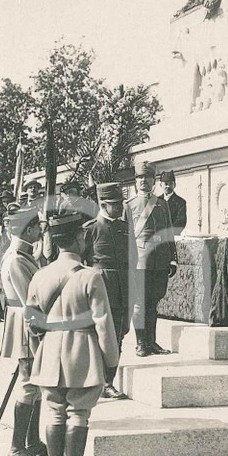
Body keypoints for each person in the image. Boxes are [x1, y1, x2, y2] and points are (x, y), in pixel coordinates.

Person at [24, 212, 120, 456]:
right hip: (82, 351)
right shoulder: (90, 276)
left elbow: (31, 322)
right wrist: (110, 361)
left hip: (49, 350)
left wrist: (40, 353)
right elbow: (103, 323)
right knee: (78, 413)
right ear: (79, 238)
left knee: (54, 412)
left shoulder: (40, 275)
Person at [0, 205, 48, 456]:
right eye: (37, 226)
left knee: (35, 384)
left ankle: (32, 441)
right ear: (28, 230)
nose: (41, 230)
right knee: (29, 385)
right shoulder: (17, 259)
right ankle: (17, 448)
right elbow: (30, 299)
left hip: (27, 322)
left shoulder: (24, 253)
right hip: (26, 325)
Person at [82, 182, 133, 399]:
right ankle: (97, 380)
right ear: (103, 204)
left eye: (121, 202)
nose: (120, 207)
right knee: (99, 335)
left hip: (123, 288)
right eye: (115, 204)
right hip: (100, 288)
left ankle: (108, 382)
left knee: (118, 335)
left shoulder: (125, 228)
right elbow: (79, 262)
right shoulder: (91, 229)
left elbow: (133, 257)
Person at [127, 160, 178, 354]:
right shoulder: (129, 205)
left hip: (160, 259)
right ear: (135, 181)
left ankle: (152, 342)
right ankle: (141, 343)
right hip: (140, 260)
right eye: (140, 177)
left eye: (147, 177)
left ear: (153, 180)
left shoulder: (162, 204)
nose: (143, 181)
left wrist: (172, 257)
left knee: (153, 302)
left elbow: (169, 231)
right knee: (140, 303)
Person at [158, 170, 188, 236]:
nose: (168, 186)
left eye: (171, 184)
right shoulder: (156, 201)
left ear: (175, 185)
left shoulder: (180, 202)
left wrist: (169, 234)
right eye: (166, 184)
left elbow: (181, 221)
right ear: (161, 185)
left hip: (173, 236)